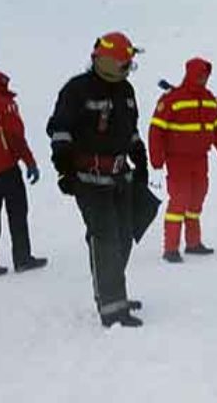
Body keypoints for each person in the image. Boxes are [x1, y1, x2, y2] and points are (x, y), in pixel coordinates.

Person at [46, 32, 148, 328]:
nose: (128, 68)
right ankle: (112, 307)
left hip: (120, 177)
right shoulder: (77, 90)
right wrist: (63, 168)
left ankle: (112, 290)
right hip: (90, 180)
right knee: (105, 239)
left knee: (125, 236)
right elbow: (60, 130)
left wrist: (139, 158)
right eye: (124, 63)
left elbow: (131, 130)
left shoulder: (126, 91)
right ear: (106, 62)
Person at [149, 58, 217, 263]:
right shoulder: (172, 99)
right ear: (192, 73)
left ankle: (193, 243)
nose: (204, 78)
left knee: (197, 199)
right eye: (201, 74)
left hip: (200, 158)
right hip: (178, 160)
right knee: (179, 201)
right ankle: (171, 248)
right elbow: (156, 130)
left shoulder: (210, 99)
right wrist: (156, 158)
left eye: (206, 75)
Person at [0, 71, 46, 276]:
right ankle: (22, 258)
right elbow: (15, 137)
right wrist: (30, 162)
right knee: (17, 213)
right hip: (7, 170)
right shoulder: (6, 105)